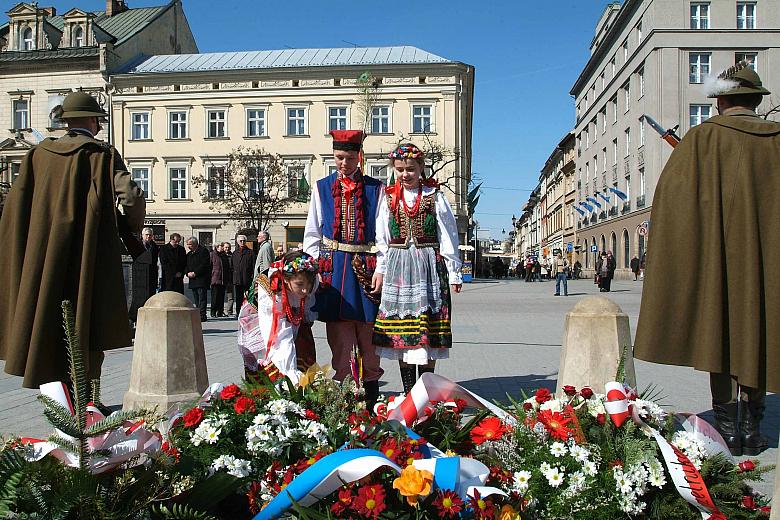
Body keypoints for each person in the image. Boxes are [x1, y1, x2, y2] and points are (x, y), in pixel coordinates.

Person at [634, 62, 780, 456]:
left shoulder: (701, 140)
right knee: (760, 334)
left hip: (719, 262)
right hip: (768, 262)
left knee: (720, 337)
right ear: (755, 99)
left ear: (722, 100)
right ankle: (754, 426)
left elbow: (674, 206)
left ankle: (729, 429)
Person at [0, 90, 145, 389]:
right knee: (89, 320)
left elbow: (17, 204)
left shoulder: (37, 154)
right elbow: (130, 196)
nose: (101, 127)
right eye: (99, 121)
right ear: (92, 120)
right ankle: (87, 401)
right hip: (87, 253)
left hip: (43, 254)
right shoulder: (100, 154)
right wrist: (129, 229)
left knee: (45, 314)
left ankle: (55, 398)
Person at [303, 129, 385, 408]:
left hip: (366, 268)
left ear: (359, 157)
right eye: (339, 157)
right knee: (339, 338)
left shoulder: (376, 189)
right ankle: (347, 400)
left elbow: (384, 236)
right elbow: (313, 233)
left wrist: (382, 269)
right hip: (334, 270)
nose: (343, 163)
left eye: (349, 158)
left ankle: (372, 398)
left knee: (370, 336)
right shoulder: (322, 187)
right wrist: (309, 270)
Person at [373, 143, 462, 394]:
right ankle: (409, 391)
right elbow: (382, 238)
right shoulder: (388, 198)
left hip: (429, 266)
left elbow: (448, 235)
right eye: (400, 169)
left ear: (421, 168)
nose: (405, 174)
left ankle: (425, 391)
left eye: (410, 169)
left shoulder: (435, 196)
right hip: (398, 267)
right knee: (403, 331)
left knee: (429, 329)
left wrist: (454, 271)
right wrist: (380, 269)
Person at [237, 251, 318, 385]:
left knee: (304, 351)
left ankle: (304, 392)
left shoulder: (310, 279)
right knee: (269, 364)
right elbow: (278, 334)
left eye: (308, 284)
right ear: (286, 279)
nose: (305, 290)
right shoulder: (272, 288)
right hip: (262, 319)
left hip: (295, 316)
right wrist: (290, 373)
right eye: (299, 284)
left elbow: (307, 304)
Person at [185, 236, 211, 322]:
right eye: (187, 244)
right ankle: (197, 314)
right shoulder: (189, 254)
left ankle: (202, 315)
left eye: (190, 244)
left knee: (202, 298)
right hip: (192, 280)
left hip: (201, 279)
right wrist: (187, 273)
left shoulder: (203, 252)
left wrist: (195, 273)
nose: (188, 246)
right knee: (196, 298)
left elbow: (204, 265)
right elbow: (186, 265)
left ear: (195, 244)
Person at [232, 234, 256, 313]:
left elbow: (253, 266)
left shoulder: (250, 253)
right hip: (238, 280)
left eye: (244, 241)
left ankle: (247, 312)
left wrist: (253, 278)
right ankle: (238, 312)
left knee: (248, 297)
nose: (242, 242)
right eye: (240, 241)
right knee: (238, 297)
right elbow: (232, 266)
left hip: (247, 279)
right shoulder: (235, 253)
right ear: (237, 242)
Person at [141, 227, 160, 296]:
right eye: (146, 234)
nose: (148, 236)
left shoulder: (155, 246)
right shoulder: (138, 245)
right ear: (142, 235)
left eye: (150, 235)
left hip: (152, 273)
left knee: (151, 294)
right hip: (141, 273)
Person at [210, 243, 226, 318]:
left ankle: (220, 311)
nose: (223, 248)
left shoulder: (223, 255)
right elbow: (209, 266)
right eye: (221, 246)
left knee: (221, 296)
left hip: (223, 279)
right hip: (215, 279)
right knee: (214, 297)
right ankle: (213, 312)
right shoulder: (212, 255)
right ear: (217, 247)